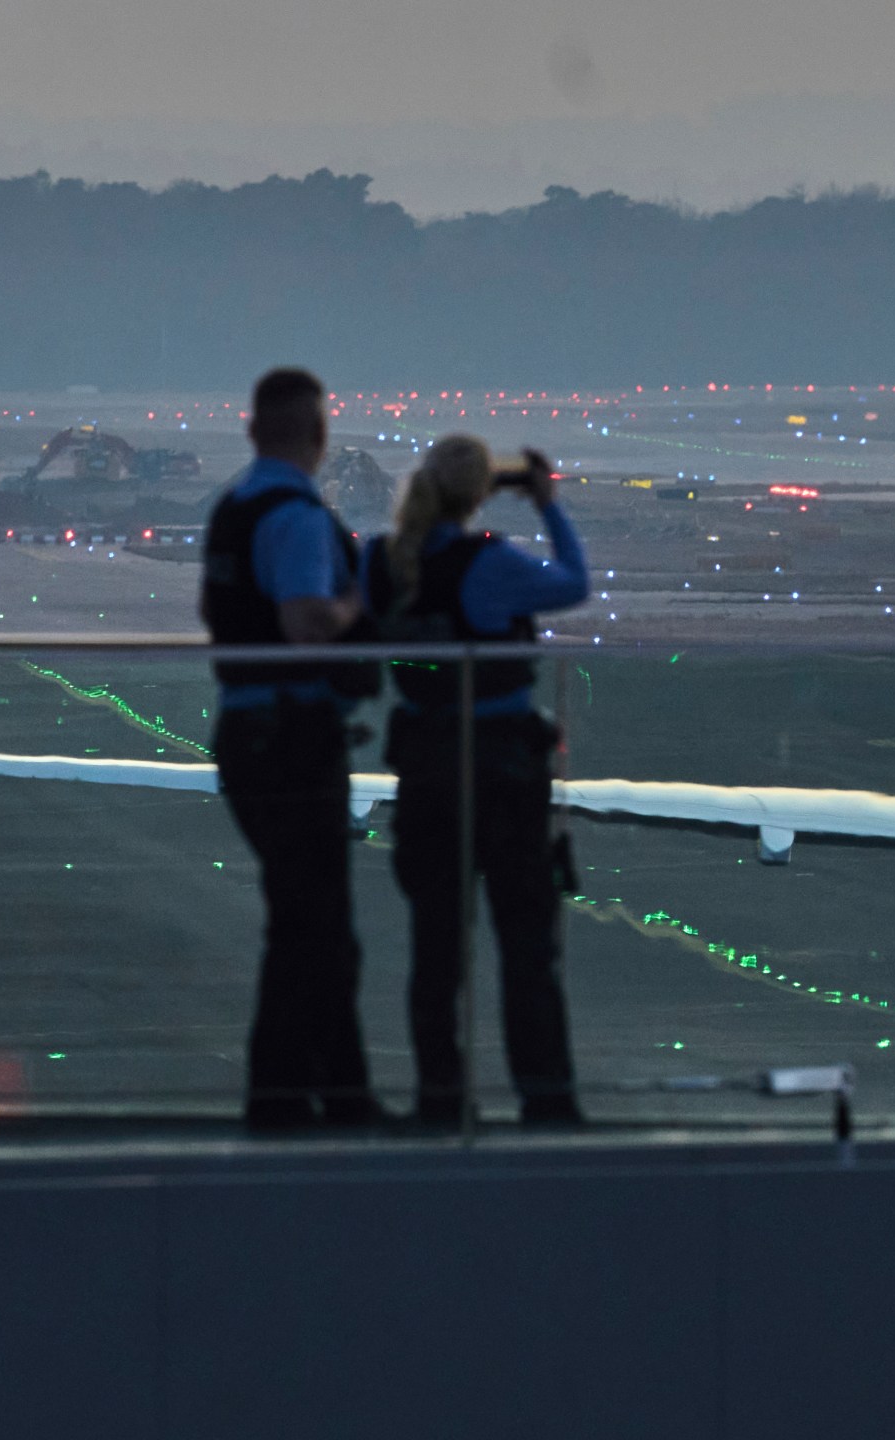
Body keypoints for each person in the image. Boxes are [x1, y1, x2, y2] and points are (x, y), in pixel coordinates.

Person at [365, 436, 590, 1125]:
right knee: (526, 944)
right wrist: (549, 506)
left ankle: (440, 1097)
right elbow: (574, 583)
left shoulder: (382, 562)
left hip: (426, 767)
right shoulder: (487, 562)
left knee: (436, 949)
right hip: (500, 767)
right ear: (480, 494)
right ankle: (546, 1098)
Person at [199, 367, 385, 1130]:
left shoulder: (233, 510)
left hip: (246, 731)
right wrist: (361, 599)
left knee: (303, 924)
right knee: (318, 931)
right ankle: (310, 1100)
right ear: (320, 438)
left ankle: (308, 1095)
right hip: (293, 739)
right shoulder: (298, 517)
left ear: (251, 431)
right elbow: (307, 621)